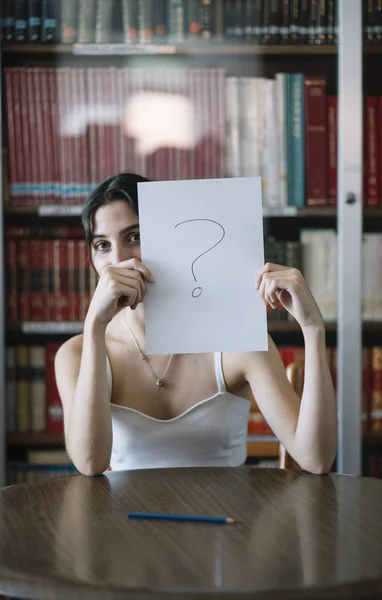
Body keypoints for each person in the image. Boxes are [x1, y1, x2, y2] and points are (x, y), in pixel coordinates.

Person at [55, 172, 337, 476]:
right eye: (102, 245)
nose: (119, 260)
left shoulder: (234, 338)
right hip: (126, 521)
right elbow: (89, 463)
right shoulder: (76, 353)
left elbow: (316, 459)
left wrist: (313, 329)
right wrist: (95, 327)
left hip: (228, 518)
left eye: (134, 237)